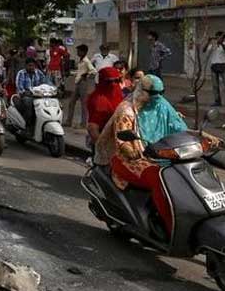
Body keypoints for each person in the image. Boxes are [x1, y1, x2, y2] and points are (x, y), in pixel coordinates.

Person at [95, 75, 188, 238]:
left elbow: (179, 128)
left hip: (162, 155)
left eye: (160, 92)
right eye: (152, 93)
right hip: (130, 159)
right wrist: (133, 151)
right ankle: (169, 228)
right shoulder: (127, 110)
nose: (157, 96)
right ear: (141, 91)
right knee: (158, 179)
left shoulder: (162, 105)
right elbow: (122, 143)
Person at [86, 66, 124, 150]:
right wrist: (102, 147)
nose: (113, 84)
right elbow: (92, 127)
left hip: (119, 140)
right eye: (109, 81)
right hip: (104, 140)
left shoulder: (119, 94)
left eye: (116, 80)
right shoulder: (97, 100)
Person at [64, 44, 96, 128]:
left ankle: (83, 123)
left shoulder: (86, 61)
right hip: (78, 83)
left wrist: (85, 75)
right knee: (71, 102)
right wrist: (71, 73)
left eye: (79, 51)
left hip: (82, 83)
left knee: (83, 103)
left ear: (84, 52)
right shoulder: (81, 60)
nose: (78, 52)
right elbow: (80, 71)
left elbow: (93, 71)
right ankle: (68, 121)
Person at [15, 58, 48, 127]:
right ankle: (27, 124)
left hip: (38, 95)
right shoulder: (21, 73)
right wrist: (26, 92)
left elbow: (45, 82)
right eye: (30, 66)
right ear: (26, 66)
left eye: (33, 66)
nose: (31, 67)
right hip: (25, 96)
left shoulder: (38, 72)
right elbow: (19, 87)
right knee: (28, 102)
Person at [204, 31, 225, 107]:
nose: (217, 39)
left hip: (223, 66)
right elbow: (204, 50)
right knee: (215, 86)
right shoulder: (213, 45)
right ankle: (217, 101)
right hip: (214, 66)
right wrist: (208, 42)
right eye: (216, 37)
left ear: (223, 38)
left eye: (219, 37)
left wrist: (221, 44)